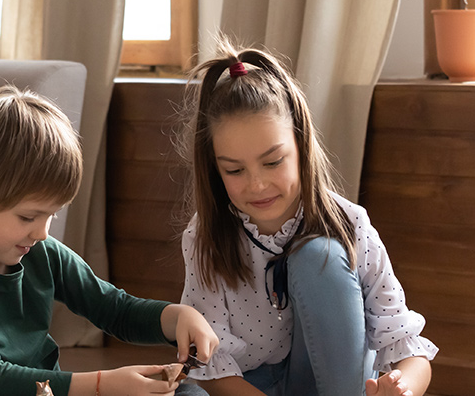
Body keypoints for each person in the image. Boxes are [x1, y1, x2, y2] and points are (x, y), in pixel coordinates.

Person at [0, 85, 220, 396]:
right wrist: (102, 385)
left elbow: (115, 310)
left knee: (186, 392)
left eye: (52, 215)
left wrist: (178, 317)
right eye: (28, 217)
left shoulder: (39, 252)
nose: (42, 233)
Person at [177, 45, 437, 396]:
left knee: (320, 255)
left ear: (300, 146)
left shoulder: (350, 222)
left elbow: (407, 346)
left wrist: (402, 386)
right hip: (249, 387)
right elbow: (211, 366)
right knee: (186, 393)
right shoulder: (204, 236)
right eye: (234, 170)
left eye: (273, 162)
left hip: (336, 386)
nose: (257, 184)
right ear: (214, 170)